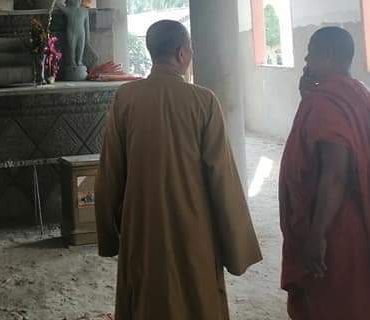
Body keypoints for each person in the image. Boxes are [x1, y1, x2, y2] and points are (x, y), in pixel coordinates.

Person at [95, 20, 261, 320]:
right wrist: (236, 247)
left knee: (145, 298)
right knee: (198, 298)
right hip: (194, 229)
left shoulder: (126, 98)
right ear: (182, 53)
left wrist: (110, 235)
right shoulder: (204, 101)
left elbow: (110, 172)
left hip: (142, 228)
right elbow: (222, 178)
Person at [279, 26, 370, 320]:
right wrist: (309, 96)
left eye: (311, 54)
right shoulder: (359, 93)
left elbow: (335, 174)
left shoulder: (326, 103)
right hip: (365, 215)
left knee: (340, 302)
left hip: (339, 225)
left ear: (328, 55)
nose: (306, 61)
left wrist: (317, 234)